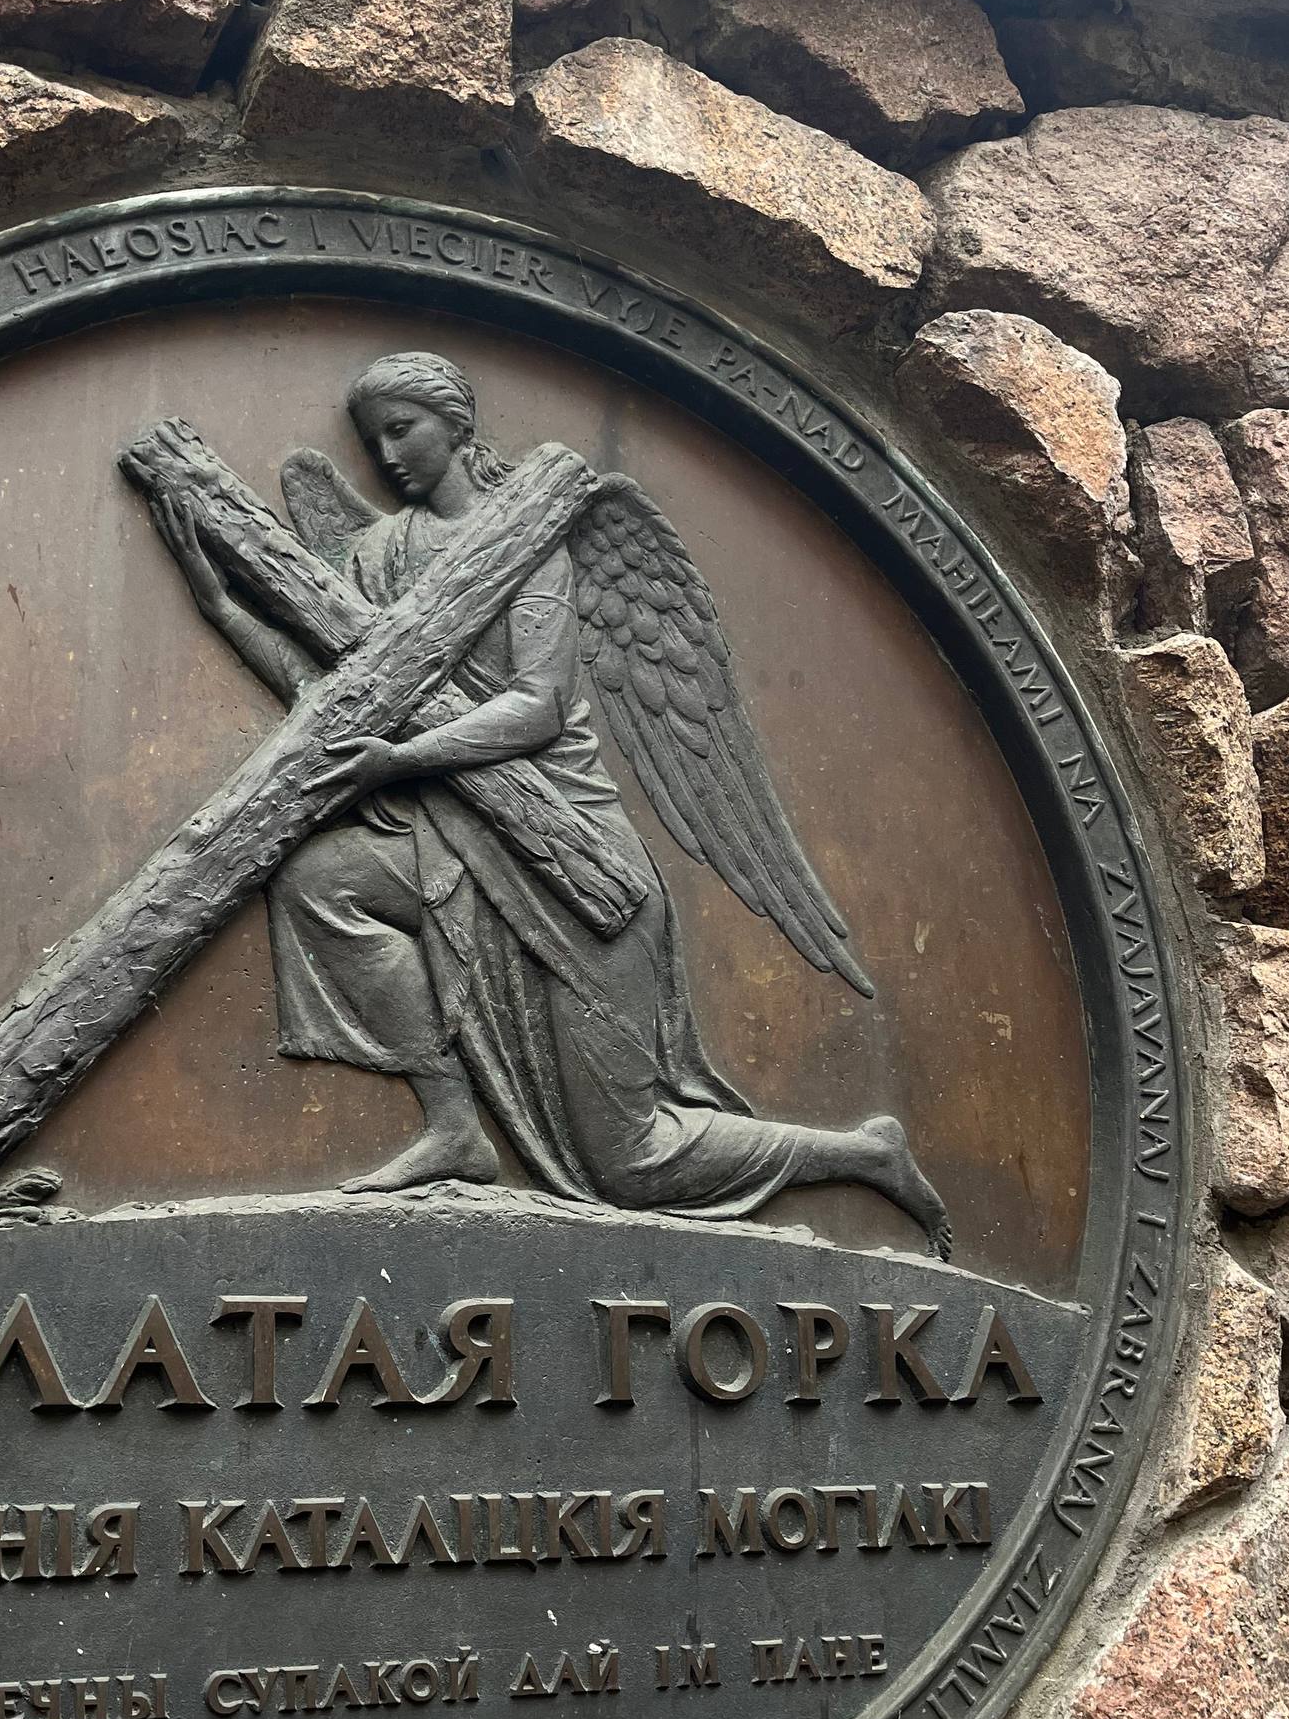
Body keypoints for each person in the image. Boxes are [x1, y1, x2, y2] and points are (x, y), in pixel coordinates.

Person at [150, 351, 951, 1257]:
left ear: (457, 424)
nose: (387, 456)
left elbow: (535, 706)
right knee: (320, 881)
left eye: (403, 429)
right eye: (374, 441)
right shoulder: (380, 555)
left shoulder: (534, 543)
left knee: (631, 1164)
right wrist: (223, 609)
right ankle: (454, 1127)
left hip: (572, 864)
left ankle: (862, 1154)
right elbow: (328, 696)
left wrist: (401, 760)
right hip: (448, 846)